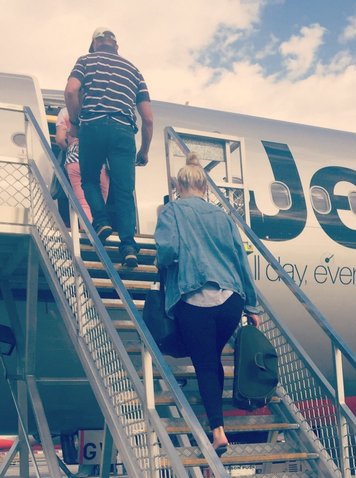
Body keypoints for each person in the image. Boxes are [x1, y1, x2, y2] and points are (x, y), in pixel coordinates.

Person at [154, 154, 259, 456]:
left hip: (195, 298)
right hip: (231, 301)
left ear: (178, 187)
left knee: (205, 364)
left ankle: (218, 432)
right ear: (205, 188)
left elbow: (167, 250)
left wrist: (162, 263)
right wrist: (252, 307)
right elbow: (241, 260)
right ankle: (219, 425)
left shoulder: (171, 211)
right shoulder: (223, 217)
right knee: (212, 358)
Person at [64, 27, 153, 268]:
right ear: (116, 46)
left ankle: (101, 221)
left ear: (94, 44)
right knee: (124, 190)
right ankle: (128, 246)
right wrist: (144, 150)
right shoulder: (133, 70)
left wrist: (76, 123)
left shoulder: (86, 61)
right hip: (124, 131)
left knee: (89, 179)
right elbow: (148, 119)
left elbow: (71, 91)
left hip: (92, 125)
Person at [54, 106, 109, 223]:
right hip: (99, 159)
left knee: (83, 203)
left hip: (74, 158)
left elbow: (59, 139)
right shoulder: (99, 108)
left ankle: (88, 230)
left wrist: (68, 149)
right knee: (100, 201)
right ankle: (100, 227)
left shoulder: (65, 112)